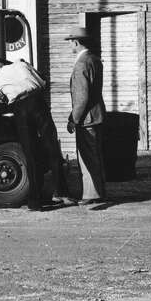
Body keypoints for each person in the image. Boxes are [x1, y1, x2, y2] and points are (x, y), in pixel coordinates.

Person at [65, 26, 108, 202]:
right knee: (95, 156)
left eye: (70, 43)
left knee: (87, 158)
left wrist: (73, 119)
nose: (70, 46)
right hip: (97, 114)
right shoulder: (94, 60)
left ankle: (92, 195)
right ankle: (98, 192)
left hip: (87, 118)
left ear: (76, 42)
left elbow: (81, 97)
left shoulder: (81, 63)